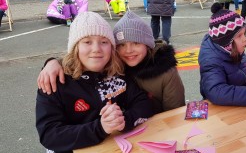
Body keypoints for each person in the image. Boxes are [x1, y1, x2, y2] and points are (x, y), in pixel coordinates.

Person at [36, 12, 154, 153]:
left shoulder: (117, 75)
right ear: (75, 47)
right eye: (87, 42)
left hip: (112, 151)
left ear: (112, 47)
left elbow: (143, 104)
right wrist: (100, 128)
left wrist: (124, 120)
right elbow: (49, 134)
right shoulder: (54, 81)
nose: (96, 49)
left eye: (104, 42)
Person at [37, 11, 185, 114]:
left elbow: (175, 113)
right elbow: (81, 59)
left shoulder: (166, 72)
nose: (128, 50)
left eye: (136, 43)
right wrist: (53, 62)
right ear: (114, 48)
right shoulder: (112, 64)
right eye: (121, 45)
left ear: (147, 45)